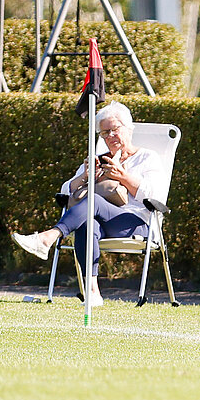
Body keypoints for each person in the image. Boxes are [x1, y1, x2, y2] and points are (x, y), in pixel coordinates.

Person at [12, 102, 165, 308]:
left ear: (128, 128)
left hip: (135, 222)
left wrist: (124, 176)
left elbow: (156, 195)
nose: (109, 137)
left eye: (114, 130)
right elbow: (66, 191)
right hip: (101, 220)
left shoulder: (148, 158)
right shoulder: (100, 159)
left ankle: (48, 237)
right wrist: (85, 176)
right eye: (104, 133)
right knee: (87, 222)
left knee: (93, 202)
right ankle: (93, 292)